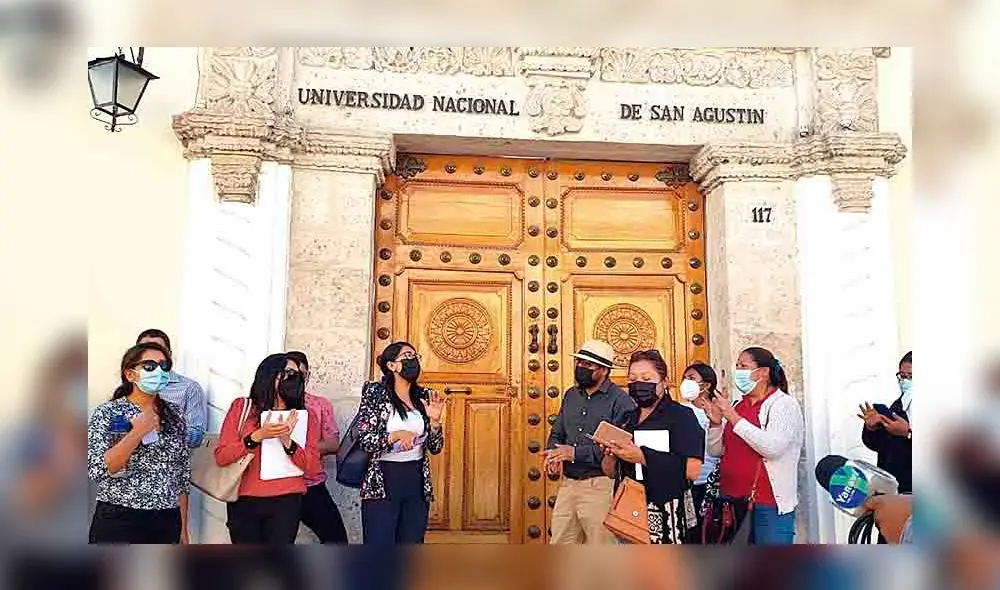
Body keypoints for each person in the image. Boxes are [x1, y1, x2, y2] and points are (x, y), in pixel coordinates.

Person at [698, 346, 805, 545]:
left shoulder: (783, 405)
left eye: (743, 366)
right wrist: (715, 424)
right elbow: (717, 451)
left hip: (767, 504)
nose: (738, 371)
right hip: (732, 502)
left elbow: (772, 448)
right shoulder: (738, 405)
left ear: (763, 372)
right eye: (737, 366)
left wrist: (732, 417)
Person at [87, 343, 191, 543]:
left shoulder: (175, 414)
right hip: (120, 517)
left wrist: (183, 529)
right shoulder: (108, 413)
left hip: (166, 518)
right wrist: (137, 433)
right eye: (150, 366)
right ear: (130, 374)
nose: (158, 371)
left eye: (164, 366)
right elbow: (98, 469)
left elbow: (181, 475)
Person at [215, 353, 322, 544]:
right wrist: (256, 437)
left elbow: (313, 467)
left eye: (297, 375)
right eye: (288, 373)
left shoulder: (306, 416)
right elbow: (222, 456)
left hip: (287, 501)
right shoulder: (242, 408)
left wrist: (288, 443)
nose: (293, 379)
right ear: (269, 375)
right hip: (245, 500)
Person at [601, 350, 704, 544]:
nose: (638, 384)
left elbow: (693, 470)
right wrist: (610, 454)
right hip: (629, 513)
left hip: (668, 515)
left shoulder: (681, 416)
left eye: (646, 378)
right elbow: (611, 472)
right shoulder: (627, 418)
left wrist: (642, 456)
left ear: (664, 382)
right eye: (633, 379)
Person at [542, 339, 637, 544]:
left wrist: (574, 453)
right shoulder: (571, 395)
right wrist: (553, 456)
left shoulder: (621, 402)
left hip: (601, 486)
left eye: (588, 364)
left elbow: (617, 447)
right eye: (579, 362)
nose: (580, 367)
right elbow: (557, 433)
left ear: (604, 370)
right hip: (568, 485)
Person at [356, 341, 447, 545]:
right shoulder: (375, 394)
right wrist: (395, 435)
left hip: (415, 480)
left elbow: (435, 447)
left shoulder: (424, 396)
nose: (413, 360)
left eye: (415, 356)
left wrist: (435, 423)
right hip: (383, 479)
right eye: (407, 356)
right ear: (391, 365)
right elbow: (365, 440)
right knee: (379, 547)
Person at [286, 350, 349, 544]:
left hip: (311, 484)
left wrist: (300, 449)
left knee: (337, 540)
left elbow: (333, 443)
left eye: (302, 374)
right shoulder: (269, 405)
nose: (296, 379)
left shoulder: (318, 405)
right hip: (278, 487)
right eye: (291, 374)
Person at [136, 329, 208, 447]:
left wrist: (164, 429)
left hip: (170, 456)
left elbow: (197, 436)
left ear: (168, 354)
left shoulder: (189, 388)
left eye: (158, 349)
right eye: (145, 350)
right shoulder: (129, 385)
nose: (152, 355)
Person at [677, 361, 721, 541]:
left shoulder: (719, 411)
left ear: (706, 385)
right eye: (685, 378)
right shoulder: (680, 411)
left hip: (710, 483)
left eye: (691, 378)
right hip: (686, 481)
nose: (686, 382)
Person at [859, 351, 913, 494]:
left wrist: (908, 433)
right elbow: (880, 445)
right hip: (895, 489)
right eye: (902, 376)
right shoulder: (897, 407)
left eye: (911, 376)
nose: (905, 381)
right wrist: (871, 428)